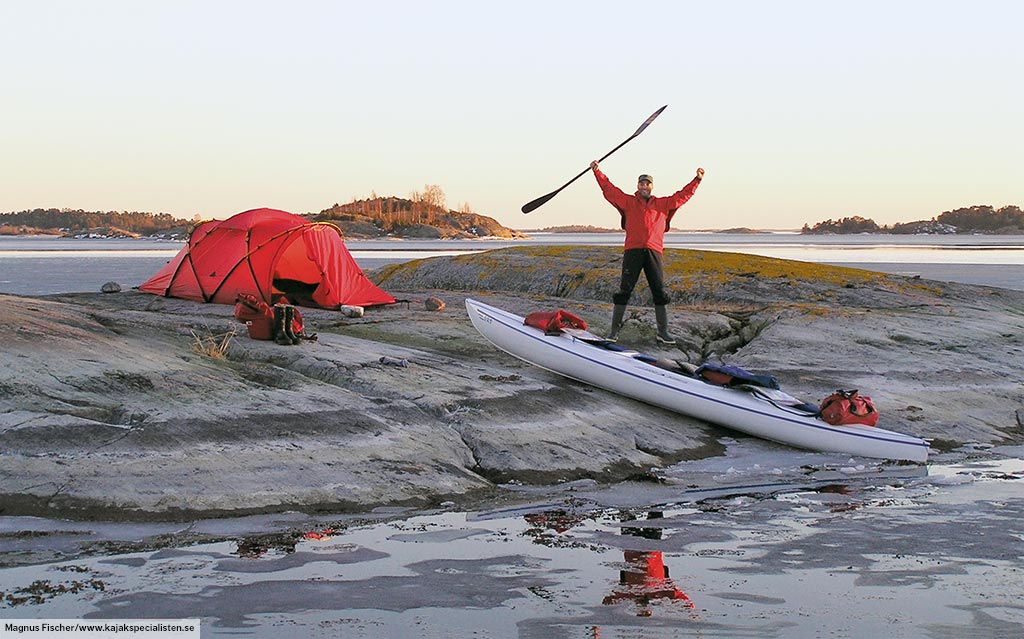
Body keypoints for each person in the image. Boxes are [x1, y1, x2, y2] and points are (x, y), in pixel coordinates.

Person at [590, 161, 704, 343]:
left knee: (659, 291)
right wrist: (597, 171)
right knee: (624, 291)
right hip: (633, 251)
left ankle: (663, 332)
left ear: (651, 187)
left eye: (647, 183)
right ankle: (614, 332)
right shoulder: (628, 202)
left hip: (654, 252)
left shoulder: (662, 204)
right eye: (641, 183)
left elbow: (682, 196)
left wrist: (696, 180)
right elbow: (609, 190)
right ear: (638, 186)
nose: (644, 186)